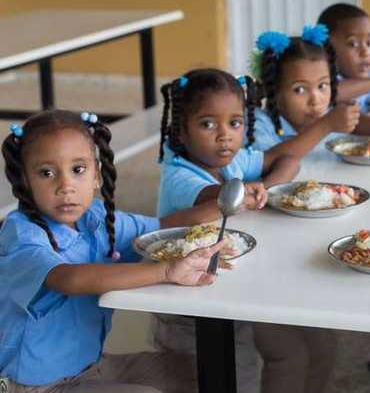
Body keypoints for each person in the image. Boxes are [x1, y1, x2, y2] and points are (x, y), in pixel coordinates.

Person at [0, 110, 228, 392]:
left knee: (203, 371)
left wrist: (230, 202)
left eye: (78, 169)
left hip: (89, 368)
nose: (65, 186)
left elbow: (164, 225)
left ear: (97, 174)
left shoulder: (97, 219)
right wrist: (165, 271)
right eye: (46, 173)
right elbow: (68, 279)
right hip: (36, 386)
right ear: (24, 181)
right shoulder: (21, 232)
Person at [156, 68, 336, 393]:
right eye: (208, 124)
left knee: (293, 352)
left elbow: (289, 158)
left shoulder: (232, 161)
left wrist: (265, 187)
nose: (224, 135)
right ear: (181, 132)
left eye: (234, 123)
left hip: (235, 284)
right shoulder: (180, 176)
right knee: (234, 379)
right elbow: (218, 202)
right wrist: (251, 193)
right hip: (189, 306)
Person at [250, 25, 370, 160]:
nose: (316, 99)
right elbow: (268, 160)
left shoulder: (323, 113)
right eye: (300, 89)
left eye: (323, 85)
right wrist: (325, 126)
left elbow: (357, 121)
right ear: (274, 89)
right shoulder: (259, 124)